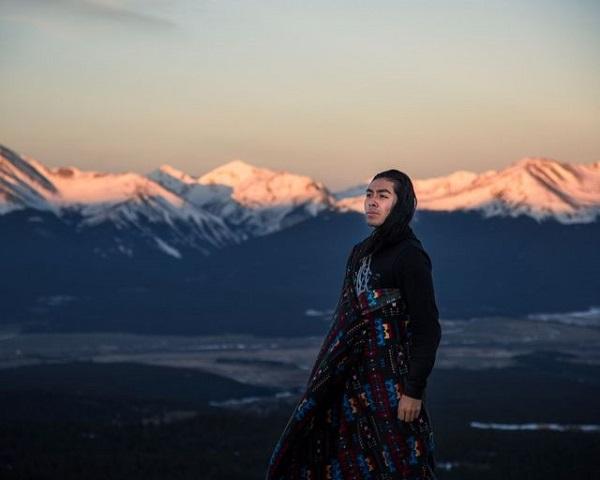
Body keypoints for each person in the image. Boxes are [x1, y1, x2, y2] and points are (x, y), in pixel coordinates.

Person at [266, 169, 442, 479]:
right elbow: (347, 317)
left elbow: (427, 329)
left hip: (393, 384)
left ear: (401, 205)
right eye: (369, 195)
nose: (372, 202)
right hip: (348, 379)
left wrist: (413, 391)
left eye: (383, 196)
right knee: (338, 458)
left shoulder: (409, 256)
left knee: (400, 462)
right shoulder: (360, 253)